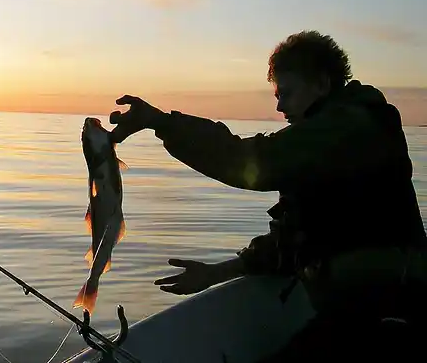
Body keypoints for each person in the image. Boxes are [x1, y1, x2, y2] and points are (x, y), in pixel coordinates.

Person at [108, 30, 427, 361]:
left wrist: (160, 122)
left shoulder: (350, 129)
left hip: (391, 311)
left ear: (320, 84)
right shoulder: (325, 142)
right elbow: (292, 243)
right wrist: (215, 273)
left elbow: (252, 160)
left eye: (286, 93)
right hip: (355, 309)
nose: (279, 105)